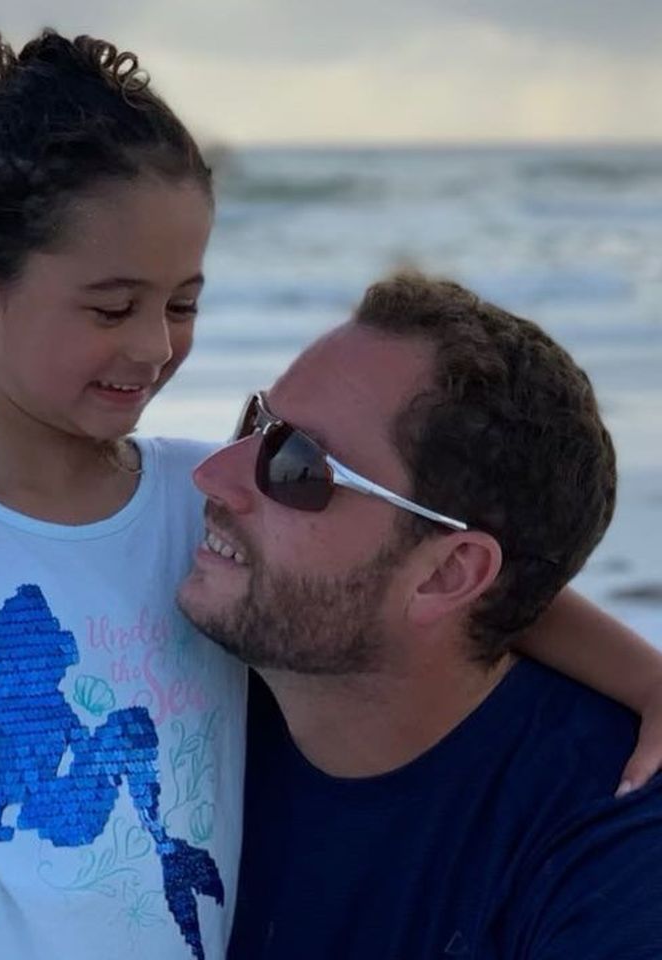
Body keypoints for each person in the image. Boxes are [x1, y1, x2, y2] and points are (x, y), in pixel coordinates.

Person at [0, 26, 659, 960]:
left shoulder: (188, 492)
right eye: (113, 307)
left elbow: (448, 573)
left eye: (183, 303)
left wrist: (647, 680)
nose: (155, 345)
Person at [176, 273, 662, 959]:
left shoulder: (611, 850)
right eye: (256, 424)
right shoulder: (165, 652)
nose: (211, 476)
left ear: (446, 574)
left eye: (295, 465)